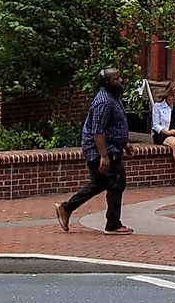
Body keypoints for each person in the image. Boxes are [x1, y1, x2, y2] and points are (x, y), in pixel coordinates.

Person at [55, 68, 134, 234]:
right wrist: (104, 156)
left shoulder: (114, 97)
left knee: (101, 183)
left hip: (110, 147)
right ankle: (113, 224)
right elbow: (98, 131)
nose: (121, 80)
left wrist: (125, 144)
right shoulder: (103, 102)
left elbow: (114, 126)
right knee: (116, 181)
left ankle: (67, 208)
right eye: (116, 78)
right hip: (101, 150)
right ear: (107, 83)